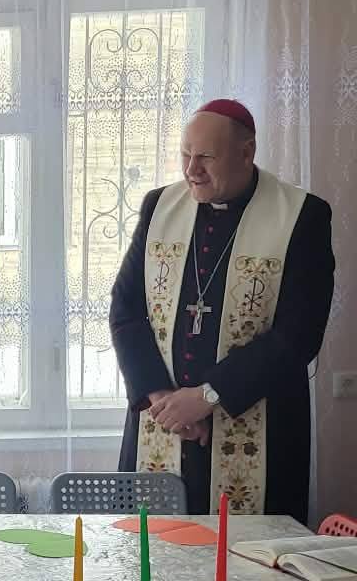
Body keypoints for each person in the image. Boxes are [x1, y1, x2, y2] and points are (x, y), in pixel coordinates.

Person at [109, 99, 335, 519]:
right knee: (153, 549)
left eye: (206, 157)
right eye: (185, 154)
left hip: (258, 428)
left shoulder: (302, 216)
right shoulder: (159, 207)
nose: (191, 169)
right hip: (164, 425)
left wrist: (207, 396)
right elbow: (125, 310)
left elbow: (299, 335)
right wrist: (163, 400)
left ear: (246, 153)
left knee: (250, 559)